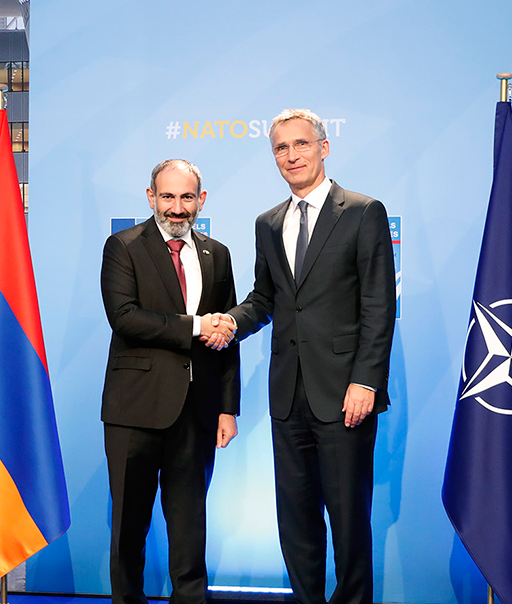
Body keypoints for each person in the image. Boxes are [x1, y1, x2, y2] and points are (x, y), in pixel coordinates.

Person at [222, 109, 396, 604]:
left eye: (300, 144)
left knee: (347, 518)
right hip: (288, 395)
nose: (291, 155)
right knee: (295, 519)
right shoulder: (268, 222)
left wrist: (366, 381)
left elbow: (379, 305)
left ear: (324, 147)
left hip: (346, 394)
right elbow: (266, 299)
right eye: (281, 148)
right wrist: (230, 323)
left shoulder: (363, 211)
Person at [101, 159, 240, 604]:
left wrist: (226, 407)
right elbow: (125, 318)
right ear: (150, 197)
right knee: (129, 526)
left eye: (186, 197)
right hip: (134, 410)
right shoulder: (122, 246)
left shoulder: (216, 253)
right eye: (167, 197)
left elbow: (229, 335)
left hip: (196, 412)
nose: (176, 208)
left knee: (189, 527)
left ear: (201, 200)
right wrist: (197, 326)